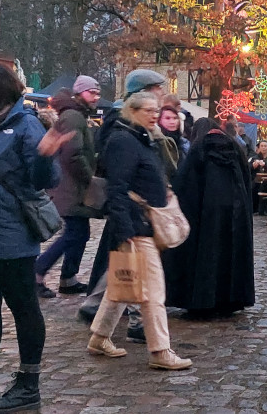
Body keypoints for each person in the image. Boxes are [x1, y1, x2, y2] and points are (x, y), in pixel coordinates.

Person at [86, 92, 192, 370]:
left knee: (122, 285)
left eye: (156, 109)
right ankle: (160, 350)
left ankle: (99, 337)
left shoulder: (142, 138)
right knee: (153, 291)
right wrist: (125, 230)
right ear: (132, 111)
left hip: (143, 223)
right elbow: (117, 189)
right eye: (148, 110)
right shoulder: (124, 141)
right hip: (137, 225)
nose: (155, 114)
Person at [0, 65, 67, 412]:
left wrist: (45, 155)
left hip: (12, 238)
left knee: (23, 308)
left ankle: (28, 383)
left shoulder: (25, 126)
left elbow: (45, 180)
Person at [163, 122, 255, 317]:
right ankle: (230, 300)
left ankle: (201, 301)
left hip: (204, 215)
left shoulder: (198, 149)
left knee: (205, 256)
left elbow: (185, 185)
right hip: (235, 215)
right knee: (231, 257)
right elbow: (246, 182)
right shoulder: (235, 148)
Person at [35, 77, 103, 298]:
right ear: (80, 93)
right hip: (70, 187)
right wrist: (89, 178)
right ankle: (37, 272)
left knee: (78, 233)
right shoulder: (73, 116)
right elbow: (73, 154)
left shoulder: (75, 114)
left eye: (97, 93)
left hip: (71, 186)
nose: (96, 97)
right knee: (74, 233)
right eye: (92, 92)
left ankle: (68, 278)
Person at [249, 140, 267, 214]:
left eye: (265, 146)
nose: (263, 148)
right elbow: (248, 168)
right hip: (257, 179)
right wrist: (253, 166)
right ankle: (255, 209)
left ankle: (264, 209)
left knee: (265, 187)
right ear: (259, 148)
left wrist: (265, 165)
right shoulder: (255, 157)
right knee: (253, 187)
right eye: (262, 146)